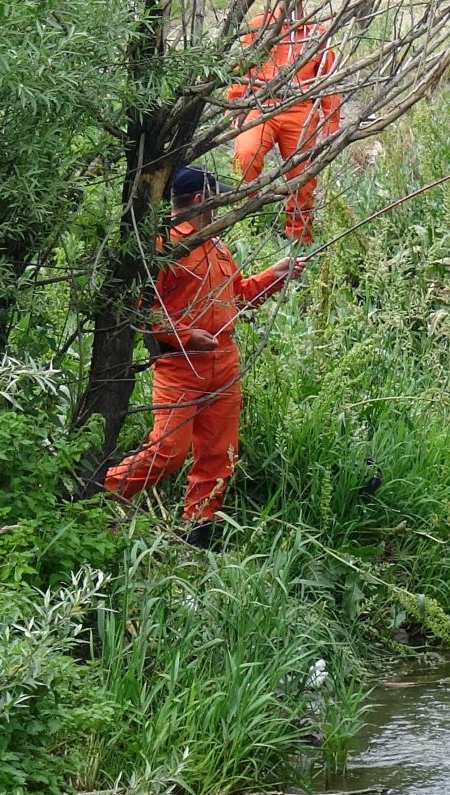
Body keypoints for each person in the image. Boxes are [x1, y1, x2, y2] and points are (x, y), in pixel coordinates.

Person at [105, 165, 303, 545]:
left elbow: (239, 295)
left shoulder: (217, 246)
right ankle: (96, 496)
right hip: (180, 367)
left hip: (225, 364)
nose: (221, 205)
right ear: (200, 200)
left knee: (219, 455)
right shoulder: (164, 247)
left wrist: (276, 275)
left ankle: (197, 534)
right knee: (167, 453)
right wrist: (184, 336)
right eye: (218, 198)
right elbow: (140, 311)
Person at [227, 1, 341, 244]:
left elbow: (328, 83)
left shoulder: (318, 33)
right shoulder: (259, 26)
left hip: (300, 108)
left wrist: (330, 127)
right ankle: (247, 225)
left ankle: (298, 238)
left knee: (304, 174)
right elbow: (241, 69)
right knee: (245, 154)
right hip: (260, 106)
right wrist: (236, 106)